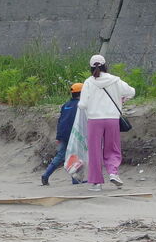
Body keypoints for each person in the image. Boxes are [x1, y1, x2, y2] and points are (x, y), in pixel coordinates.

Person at [77, 54, 136, 192]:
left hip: (94, 120)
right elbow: (131, 91)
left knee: (94, 151)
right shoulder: (115, 80)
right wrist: (122, 97)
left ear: (91, 68)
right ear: (105, 66)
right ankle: (113, 173)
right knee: (112, 147)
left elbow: (83, 104)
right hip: (112, 119)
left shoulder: (88, 82)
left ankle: (96, 183)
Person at [40, 83, 82, 186]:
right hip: (74, 134)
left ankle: (46, 175)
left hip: (63, 134)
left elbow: (60, 121)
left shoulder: (66, 105)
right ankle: (75, 180)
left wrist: (58, 136)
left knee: (60, 156)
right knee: (76, 155)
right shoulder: (81, 105)